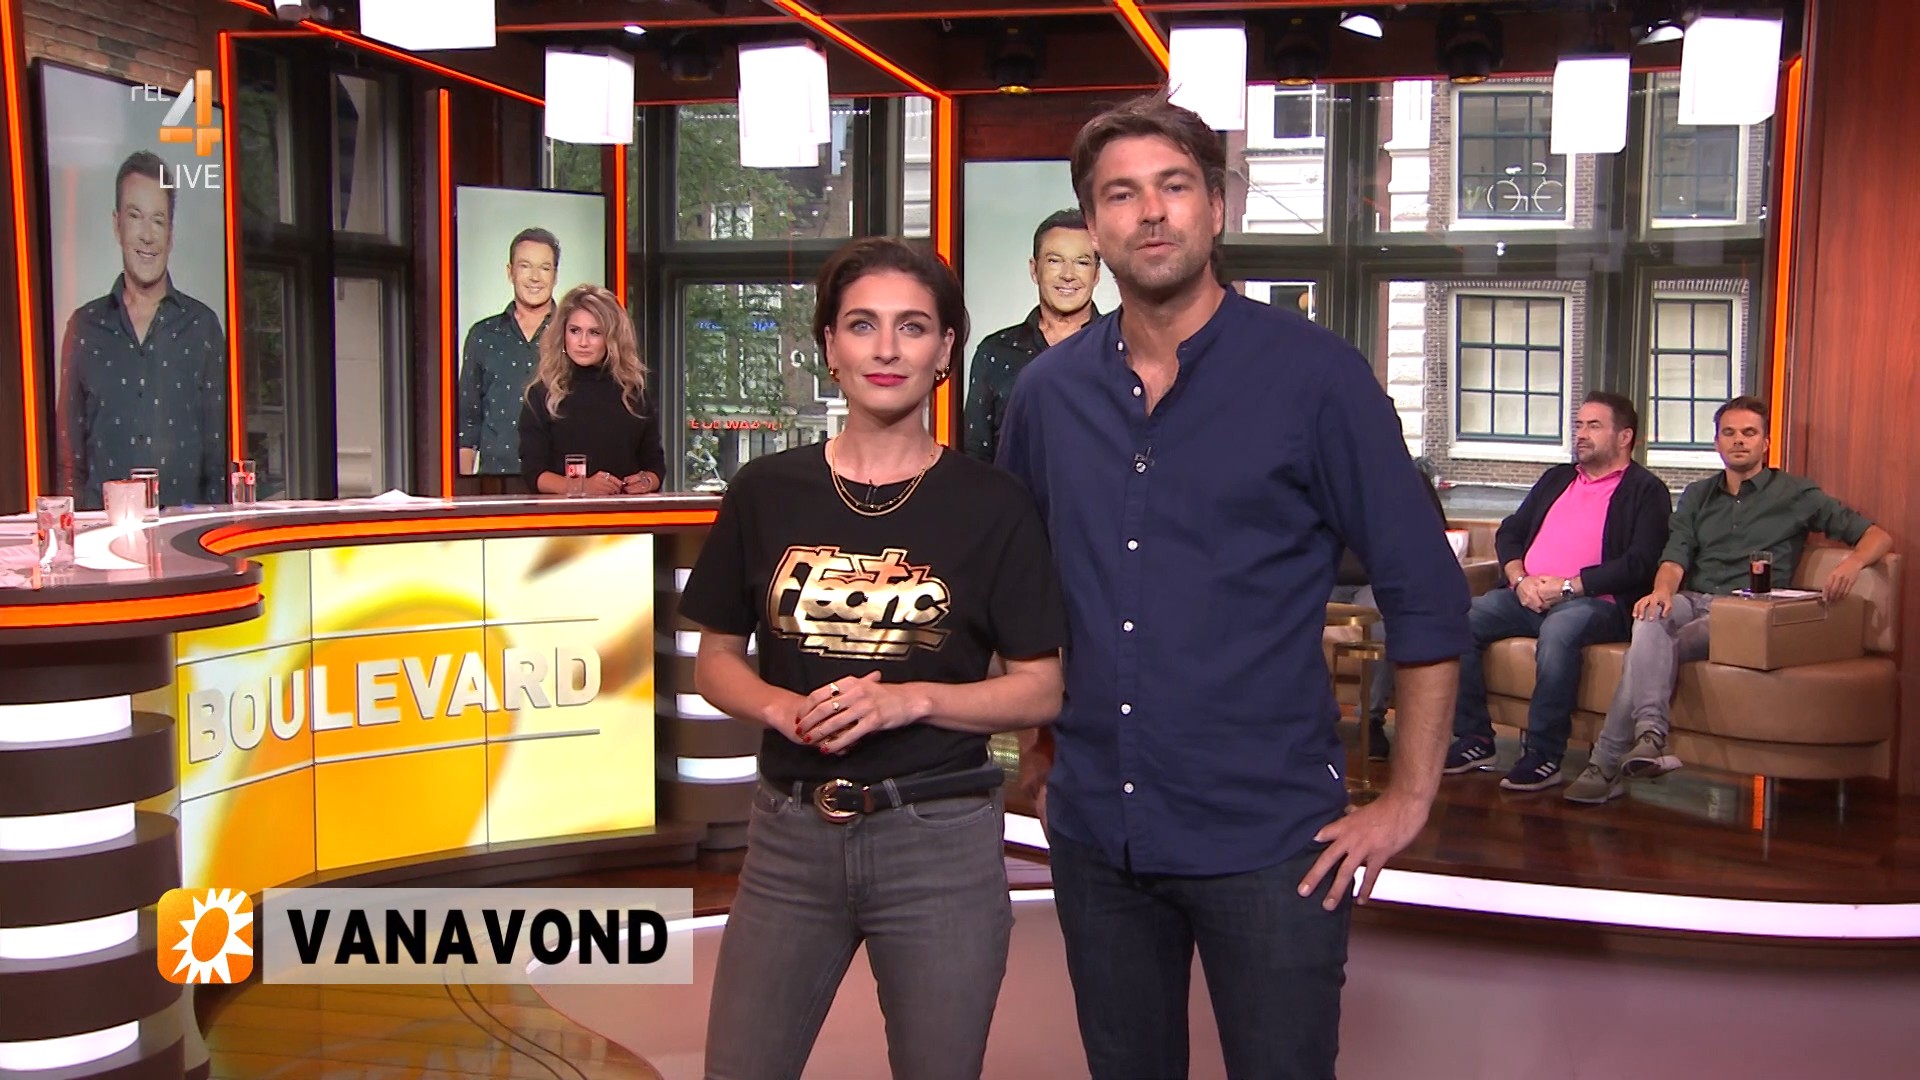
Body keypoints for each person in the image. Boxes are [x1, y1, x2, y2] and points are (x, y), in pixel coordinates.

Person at [997, 91, 1470, 1079]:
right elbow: (1028, 589)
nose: (1150, 212)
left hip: (1272, 840)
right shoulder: (1046, 396)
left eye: (1174, 186)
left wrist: (1409, 798)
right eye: (1121, 194)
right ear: (1093, 226)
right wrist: (1041, 743)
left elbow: (1426, 589)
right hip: (1098, 836)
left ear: (1216, 206)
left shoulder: (1316, 378)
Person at [679, 237, 1067, 1080]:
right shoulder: (764, 491)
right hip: (789, 838)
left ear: (945, 351)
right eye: (862, 325)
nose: (886, 349)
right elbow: (715, 662)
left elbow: (1043, 689)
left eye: (912, 327)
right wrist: (781, 707)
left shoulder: (994, 504)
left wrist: (912, 700)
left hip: (939, 841)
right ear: (830, 345)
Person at [1564, 394, 1894, 803]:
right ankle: (1649, 738)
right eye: (1730, 433)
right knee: (1650, 619)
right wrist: (1662, 591)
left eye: (1749, 433)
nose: (1739, 440)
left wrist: (1852, 564)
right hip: (1692, 597)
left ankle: (1608, 760)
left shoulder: (1797, 494)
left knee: (1654, 649)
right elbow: (1675, 556)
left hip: (1744, 613)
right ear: (1717, 442)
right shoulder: (1698, 495)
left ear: (1765, 443)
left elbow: (1877, 536)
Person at [1446, 392, 1670, 791]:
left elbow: (1639, 562)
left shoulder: (1646, 490)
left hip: (1595, 603)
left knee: (1560, 631)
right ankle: (1475, 738)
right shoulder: (1557, 478)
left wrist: (1568, 587)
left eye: (1594, 426)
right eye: (1579, 425)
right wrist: (1520, 579)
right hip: (1527, 595)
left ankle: (1544, 755)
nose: (1581, 434)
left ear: (1625, 437)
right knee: (1458, 621)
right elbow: (1511, 531)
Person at [56, 150, 227, 509]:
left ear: (171, 234)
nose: (147, 235)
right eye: (135, 217)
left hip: (182, 536)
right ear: (117, 225)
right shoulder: (84, 328)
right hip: (101, 536)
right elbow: (70, 466)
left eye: (158, 221)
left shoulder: (203, 329)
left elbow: (217, 467)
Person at [1329, 462, 1449, 760]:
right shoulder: (1323, 476)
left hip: (1377, 582)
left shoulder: (1410, 481)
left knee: (1384, 618)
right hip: (1322, 581)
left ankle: (1370, 720)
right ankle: (1302, 717)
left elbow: (1432, 539)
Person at [961, 208, 1101, 462]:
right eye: (1054, 261)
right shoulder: (995, 353)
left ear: (1097, 274)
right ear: (1034, 270)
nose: (1068, 275)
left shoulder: (1124, 349)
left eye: (1082, 262)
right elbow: (975, 457)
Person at [516, 284, 665, 496]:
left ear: (611, 338)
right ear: (563, 334)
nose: (583, 342)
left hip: (625, 513)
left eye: (595, 332)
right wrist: (582, 487)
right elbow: (534, 473)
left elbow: (655, 465)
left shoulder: (632, 393)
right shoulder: (543, 394)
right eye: (575, 331)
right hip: (563, 514)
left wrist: (646, 482)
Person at [460, 227, 560, 476]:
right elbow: (468, 420)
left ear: (555, 276)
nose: (535, 277)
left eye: (544, 268)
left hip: (559, 482)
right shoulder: (484, 335)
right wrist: (464, 486)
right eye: (525, 266)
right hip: (494, 480)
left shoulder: (573, 335)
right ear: (510, 272)